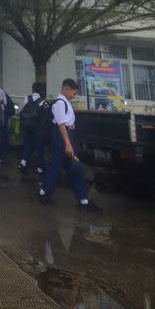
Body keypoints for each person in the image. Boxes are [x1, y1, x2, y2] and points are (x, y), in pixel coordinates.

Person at [39, 79, 102, 212]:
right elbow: (61, 125)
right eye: (73, 92)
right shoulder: (60, 104)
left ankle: (83, 200)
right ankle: (44, 193)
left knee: (74, 167)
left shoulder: (66, 103)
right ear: (66, 89)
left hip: (67, 136)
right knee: (57, 166)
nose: (74, 95)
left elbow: (67, 123)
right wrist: (68, 144)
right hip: (62, 137)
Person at [19, 82, 47, 175]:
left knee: (28, 144)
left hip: (26, 125)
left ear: (32, 89)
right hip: (37, 128)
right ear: (41, 91)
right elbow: (44, 117)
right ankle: (40, 168)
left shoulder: (27, 98)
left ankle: (23, 162)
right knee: (39, 147)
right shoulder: (42, 101)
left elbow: (23, 110)